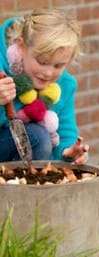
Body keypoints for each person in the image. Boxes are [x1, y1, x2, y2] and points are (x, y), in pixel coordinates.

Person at [0, 8, 89, 165]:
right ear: (21, 46)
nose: (48, 73)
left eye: (58, 65)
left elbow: (65, 132)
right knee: (37, 136)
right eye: (42, 61)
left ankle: (27, 186)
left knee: (39, 137)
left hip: (28, 154)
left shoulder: (65, 86)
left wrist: (68, 152)